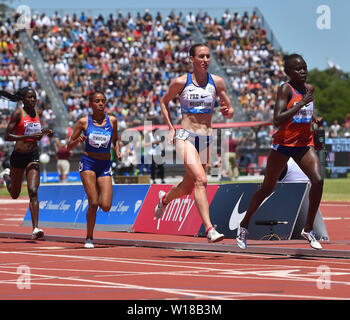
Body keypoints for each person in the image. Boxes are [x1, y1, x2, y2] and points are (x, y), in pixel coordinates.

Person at [236, 54, 324, 250]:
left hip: (303, 144)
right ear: (288, 72)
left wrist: (315, 120)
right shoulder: (286, 89)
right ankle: (243, 226)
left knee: (318, 180)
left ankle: (308, 229)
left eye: (305, 68)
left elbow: (308, 112)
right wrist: (301, 104)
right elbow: (277, 119)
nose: (303, 71)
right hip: (283, 145)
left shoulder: (310, 89)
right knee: (267, 188)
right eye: (298, 69)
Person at [154, 43, 234, 243]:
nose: (205, 60)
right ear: (192, 59)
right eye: (201, 56)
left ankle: (164, 199)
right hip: (185, 136)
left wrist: (227, 112)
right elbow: (163, 101)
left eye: (208, 56)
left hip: (206, 139)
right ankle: (209, 229)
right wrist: (171, 127)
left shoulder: (218, 82)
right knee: (202, 180)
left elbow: (229, 109)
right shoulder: (181, 82)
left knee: (187, 188)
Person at [67, 92, 121, 248]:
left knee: (106, 206)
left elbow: (116, 139)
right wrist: (78, 140)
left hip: (104, 165)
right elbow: (68, 147)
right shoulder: (83, 122)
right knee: (94, 202)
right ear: (91, 104)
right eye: (97, 101)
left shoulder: (112, 121)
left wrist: (117, 150)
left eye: (103, 101)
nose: (101, 104)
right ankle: (89, 237)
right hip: (88, 163)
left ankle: (98, 188)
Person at [0, 88, 53, 239]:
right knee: (15, 194)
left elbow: (36, 132)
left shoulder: (38, 113)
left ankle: (35, 228)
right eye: (30, 97)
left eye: (34, 97)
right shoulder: (18, 113)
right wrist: (27, 136)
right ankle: (6, 177)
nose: (33, 100)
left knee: (33, 191)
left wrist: (45, 132)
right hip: (18, 156)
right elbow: (7, 136)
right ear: (23, 99)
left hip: (32, 155)